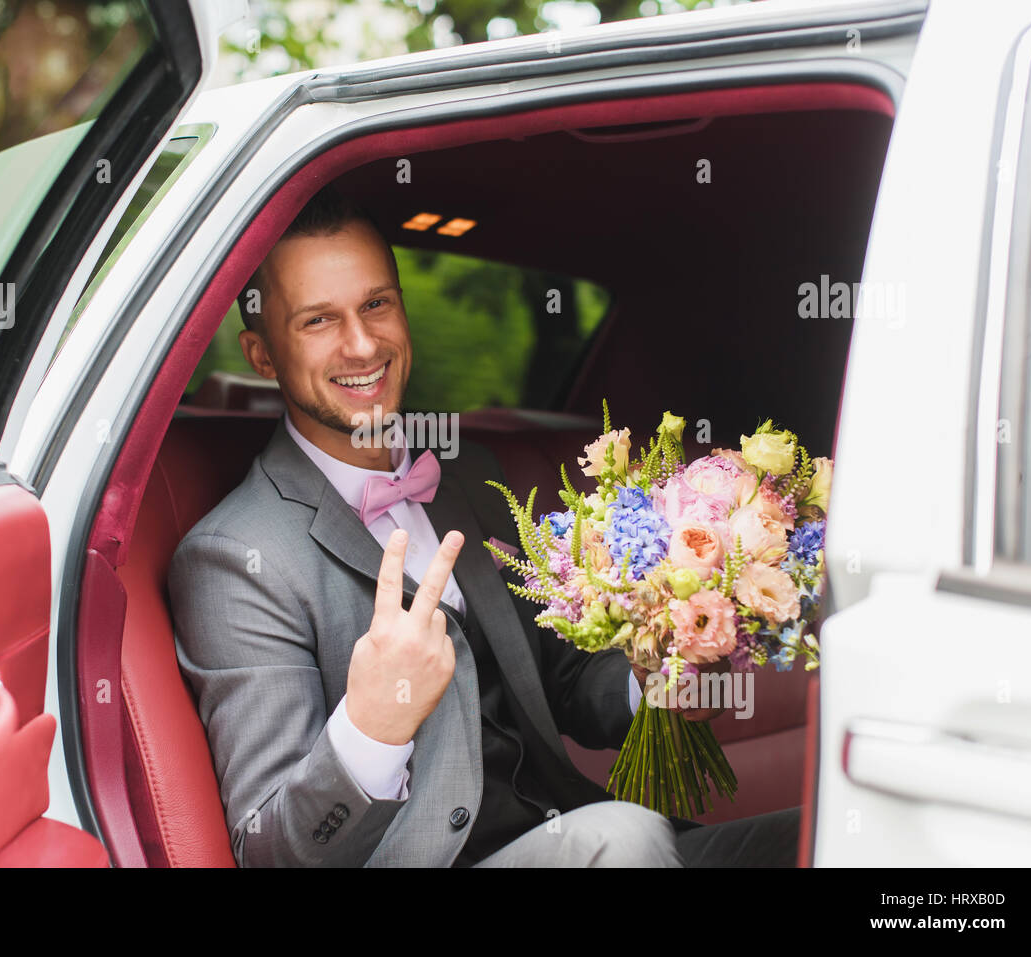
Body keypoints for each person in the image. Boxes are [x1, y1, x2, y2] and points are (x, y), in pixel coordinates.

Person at [168, 185, 800, 867]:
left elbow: (563, 677)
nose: (361, 343)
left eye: (376, 303)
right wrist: (372, 724)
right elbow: (270, 850)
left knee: (824, 835)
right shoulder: (235, 555)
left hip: (567, 830)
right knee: (621, 837)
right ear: (261, 355)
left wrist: (650, 683)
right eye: (318, 320)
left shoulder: (469, 475)